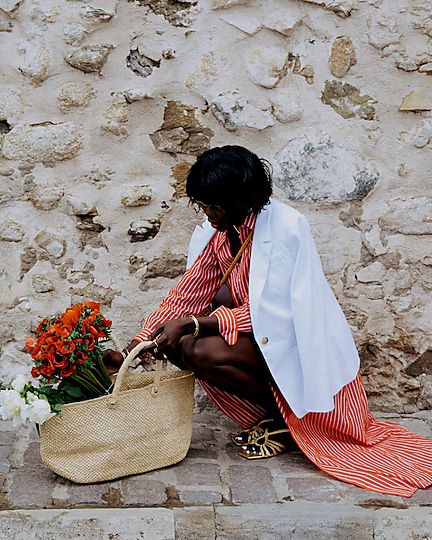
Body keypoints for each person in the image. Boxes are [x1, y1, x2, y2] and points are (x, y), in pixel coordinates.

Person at [104, 145, 432, 497]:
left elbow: (270, 313)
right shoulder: (222, 235)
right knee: (180, 347)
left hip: (292, 342)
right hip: (258, 342)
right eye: (203, 205)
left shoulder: (286, 229)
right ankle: (282, 421)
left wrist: (194, 324)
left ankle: (292, 422)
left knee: (202, 348)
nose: (208, 213)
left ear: (242, 199)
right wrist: (138, 346)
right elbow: (187, 293)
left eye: (215, 205)